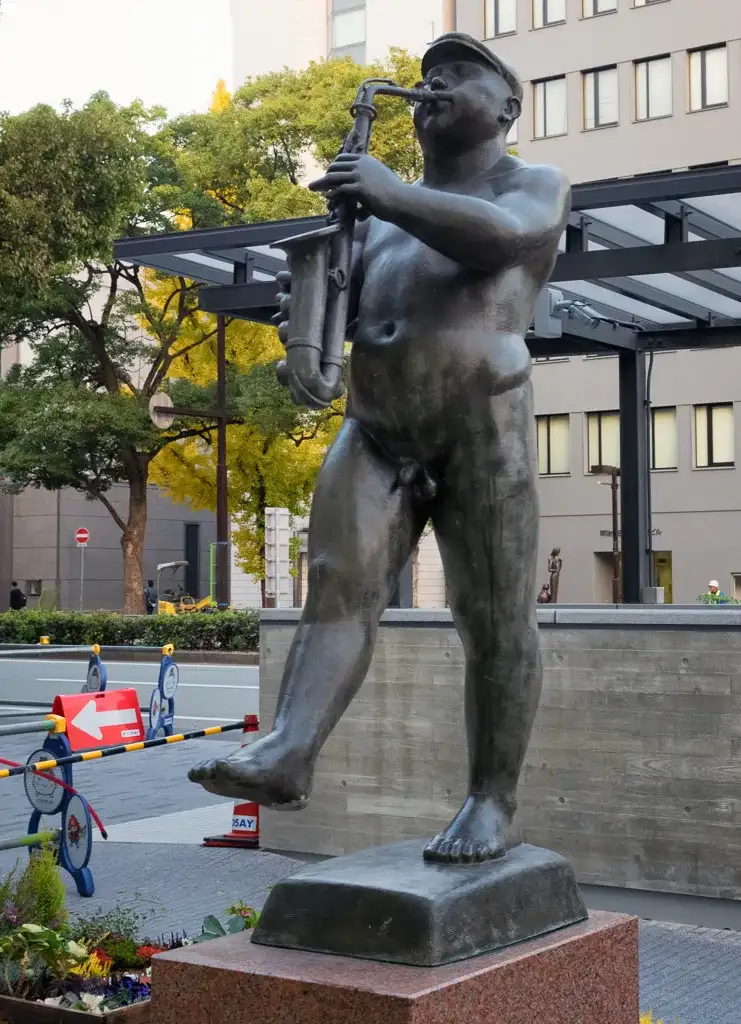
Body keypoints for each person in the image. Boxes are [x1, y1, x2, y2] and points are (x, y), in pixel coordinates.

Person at [190, 32, 571, 864]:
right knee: (336, 585)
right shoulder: (379, 217)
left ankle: (490, 801)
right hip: (374, 423)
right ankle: (289, 750)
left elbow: (501, 240)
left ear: (506, 108)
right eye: (427, 76)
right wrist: (304, 328)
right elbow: (352, 306)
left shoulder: (531, 184)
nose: (433, 86)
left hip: (482, 423)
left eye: (457, 75)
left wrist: (388, 194)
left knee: (493, 618)